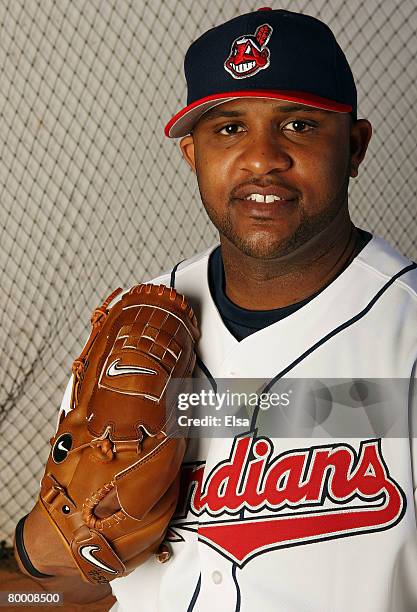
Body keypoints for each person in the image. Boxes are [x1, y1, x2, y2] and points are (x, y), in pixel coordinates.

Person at [15, 8, 417, 611]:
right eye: (229, 129)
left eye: (300, 125)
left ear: (355, 147)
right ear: (190, 155)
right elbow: (69, 583)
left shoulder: (403, 334)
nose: (262, 159)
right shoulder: (139, 330)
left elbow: (314, 407)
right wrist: (32, 555)